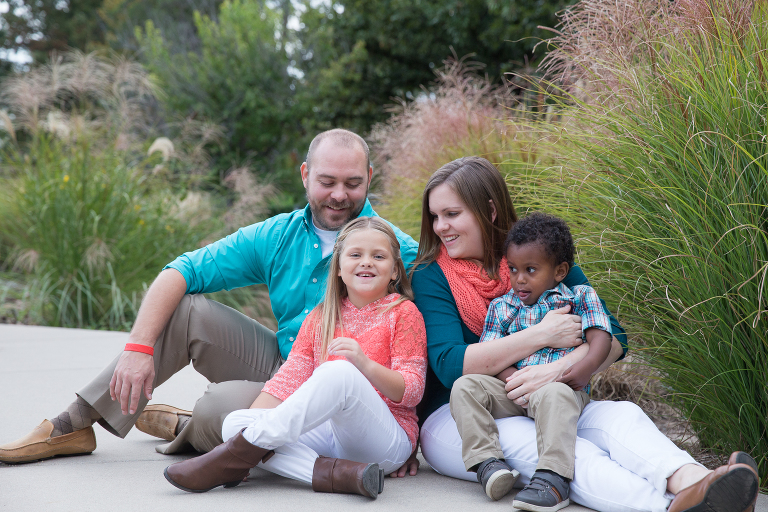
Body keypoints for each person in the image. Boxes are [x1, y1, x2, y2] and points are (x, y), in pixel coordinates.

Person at [0, 128, 419, 464]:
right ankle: (73, 424)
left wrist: (403, 435)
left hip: (355, 395)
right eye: (327, 181)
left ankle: (187, 425)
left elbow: (426, 345)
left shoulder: (397, 251)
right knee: (188, 310)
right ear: (306, 175)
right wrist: (137, 347)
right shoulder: (278, 234)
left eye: (353, 183)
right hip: (285, 364)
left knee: (215, 411)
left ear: (369, 180)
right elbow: (181, 270)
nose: (339, 195)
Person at [410, 156, 759, 512]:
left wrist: (557, 371)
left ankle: (704, 484)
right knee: (571, 451)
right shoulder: (431, 275)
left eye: (451, 214)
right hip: (463, 418)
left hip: (555, 393)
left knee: (623, 418)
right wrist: (543, 335)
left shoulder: (543, 254)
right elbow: (450, 364)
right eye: (435, 216)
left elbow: (614, 336)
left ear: (490, 209)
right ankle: (670, 508)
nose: (440, 226)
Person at [162, 217, 426, 499]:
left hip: (385, 440)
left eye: (378, 256)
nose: (366, 262)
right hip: (332, 438)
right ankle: (344, 476)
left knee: (340, 372)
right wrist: (255, 423)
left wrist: (364, 364)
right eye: (355, 254)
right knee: (236, 424)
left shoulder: (403, 313)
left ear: (395, 270)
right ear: (338, 268)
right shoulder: (321, 317)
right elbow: (288, 379)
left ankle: (235, 457)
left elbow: (412, 392)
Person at [450, 212, 613, 511]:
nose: (519, 279)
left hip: (560, 388)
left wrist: (585, 367)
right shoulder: (503, 305)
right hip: (514, 390)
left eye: (531, 269)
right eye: (512, 269)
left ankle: (554, 478)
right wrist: (517, 381)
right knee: (465, 387)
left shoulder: (579, 297)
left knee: (553, 395)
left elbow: (601, 336)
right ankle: (487, 463)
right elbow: (492, 353)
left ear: (560, 270)